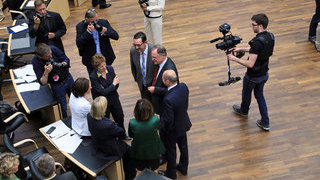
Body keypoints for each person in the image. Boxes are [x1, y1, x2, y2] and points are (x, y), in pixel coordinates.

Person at [227, 13, 274, 131]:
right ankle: (265, 122)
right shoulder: (270, 37)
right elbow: (256, 51)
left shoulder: (257, 42)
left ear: (261, 26)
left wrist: (235, 59)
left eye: (253, 25)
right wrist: (241, 49)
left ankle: (244, 111)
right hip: (264, 74)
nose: (252, 27)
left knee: (246, 93)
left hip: (253, 76)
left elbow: (250, 64)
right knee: (259, 96)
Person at [87, 96, 136, 180]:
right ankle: (130, 176)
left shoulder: (89, 116)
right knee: (130, 152)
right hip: (110, 149)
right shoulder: (108, 124)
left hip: (97, 144)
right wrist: (113, 125)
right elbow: (121, 133)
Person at [157, 70, 191, 179]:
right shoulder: (183, 87)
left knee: (171, 152)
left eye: (162, 78)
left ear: (167, 82)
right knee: (184, 147)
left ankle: (171, 174)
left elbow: (168, 120)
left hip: (172, 130)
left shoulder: (168, 99)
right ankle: (183, 167)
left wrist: (159, 124)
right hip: (183, 123)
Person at [90, 54, 130, 139]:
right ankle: (111, 137)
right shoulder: (93, 76)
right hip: (104, 102)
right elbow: (103, 92)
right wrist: (113, 84)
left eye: (104, 64)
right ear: (96, 67)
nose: (104, 67)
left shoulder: (110, 69)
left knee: (120, 117)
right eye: (101, 66)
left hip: (114, 98)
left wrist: (110, 87)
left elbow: (116, 85)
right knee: (106, 120)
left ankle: (122, 135)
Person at [32, 43, 74, 118]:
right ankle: (65, 121)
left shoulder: (53, 48)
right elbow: (43, 82)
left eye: (50, 54)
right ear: (40, 56)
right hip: (57, 86)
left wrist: (62, 64)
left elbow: (66, 59)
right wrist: (46, 73)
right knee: (62, 107)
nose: (51, 56)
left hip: (68, 78)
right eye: (47, 56)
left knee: (76, 98)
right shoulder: (36, 61)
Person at [76, 9, 119, 75]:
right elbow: (79, 43)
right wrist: (88, 32)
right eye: (93, 21)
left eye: (96, 20)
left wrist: (106, 31)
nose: (95, 23)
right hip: (91, 60)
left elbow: (116, 36)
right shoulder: (80, 26)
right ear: (86, 20)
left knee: (108, 78)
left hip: (105, 58)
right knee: (95, 81)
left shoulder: (103, 22)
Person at [128, 99, 165, 172]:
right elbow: (158, 127)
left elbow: (131, 135)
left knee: (140, 170)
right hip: (153, 151)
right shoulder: (155, 120)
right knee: (155, 169)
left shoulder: (132, 122)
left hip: (139, 151)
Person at [148, 44, 178, 116]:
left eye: (154, 57)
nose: (152, 59)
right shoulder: (158, 62)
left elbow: (173, 90)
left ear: (163, 55)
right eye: (152, 57)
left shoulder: (170, 70)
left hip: (162, 106)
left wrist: (155, 89)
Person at [130, 32, 156, 102]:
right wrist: (138, 80)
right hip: (142, 86)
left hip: (154, 86)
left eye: (138, 45)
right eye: (134, 45)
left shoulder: (154, 50)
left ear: (146, 42)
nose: (136, 47)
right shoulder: (133, 51)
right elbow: (133, 68)